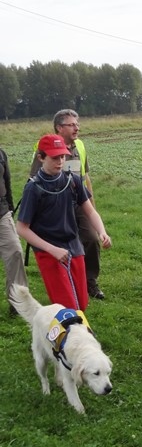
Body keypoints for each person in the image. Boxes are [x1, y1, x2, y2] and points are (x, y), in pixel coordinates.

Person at [17, 134, 112, 311]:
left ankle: (74, 334)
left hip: (74, 247)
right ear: (41, 157)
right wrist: (51, 249)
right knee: (66, 307)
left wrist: (102, 231)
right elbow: (22, 228)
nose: (60, 161)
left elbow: (90, 211)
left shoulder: (73, 181)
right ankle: (66, 337)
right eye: (54, 157)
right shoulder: (34, 187)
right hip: (49, 252)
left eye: (63, 156)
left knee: (81, 304)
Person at [29, 109, 105, 300]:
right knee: (62, 240)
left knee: (91, 237)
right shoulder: (45, 147)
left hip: (78, 201)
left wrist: (91, 204)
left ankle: (90, 282)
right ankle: (63, 278)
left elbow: (85, 176)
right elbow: (34, 180)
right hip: (55, 203)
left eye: (77, 124)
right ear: (59, 128)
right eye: (71, 124)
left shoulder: (79, 146)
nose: (76, 128)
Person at [0, 147, 28, 316]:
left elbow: (7, 181)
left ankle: (18, 301)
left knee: (16, 252)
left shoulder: (1, 153)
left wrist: (10, 207)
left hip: (1, 212)